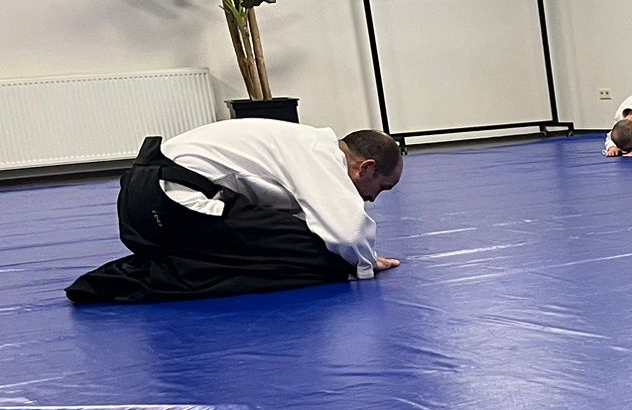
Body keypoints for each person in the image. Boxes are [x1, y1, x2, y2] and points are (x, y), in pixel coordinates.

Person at [66, 119, 402, 305]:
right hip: (170, 200)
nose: (373, 199)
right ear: (366, 168)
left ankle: (166, 265)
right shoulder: (321, 155)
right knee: (322, 257)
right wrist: (364, 262)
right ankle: (140, 279)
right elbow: (346, 234)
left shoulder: (302, 143)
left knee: (291, 240)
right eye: (382, 188)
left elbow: (300, 220)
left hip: (147, 199)